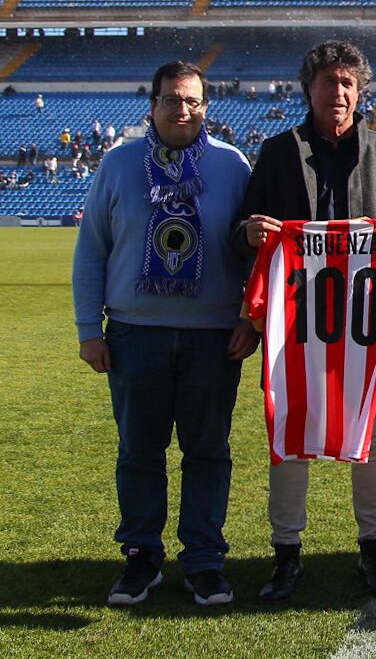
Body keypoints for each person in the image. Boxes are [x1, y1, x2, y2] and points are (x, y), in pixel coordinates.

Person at [234, 39, 376, 601]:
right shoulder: (276, 153)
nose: (338, 93)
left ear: (360, 91)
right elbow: (240, 230)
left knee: (370, 439)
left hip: (364, 330)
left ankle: (372, 552)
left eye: (348, 83)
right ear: (309, 89)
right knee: (290, 435)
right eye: (328, 82)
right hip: (294, 328)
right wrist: (249, 233)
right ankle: (286, 555)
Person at [72, 61, 255, 607]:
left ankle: (203, 560)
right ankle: (141, 557)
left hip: (212, 338)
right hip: (134, 335)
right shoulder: (120, 163)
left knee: (207, 452)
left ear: (206, 106)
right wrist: (89, 329)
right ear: (152, 105)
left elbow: (253, 251)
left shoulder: (232, 165)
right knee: (139, 453)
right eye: (173, 100)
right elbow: (92, 251)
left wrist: (249, 317)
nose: (183, 110)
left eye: (193, 101)